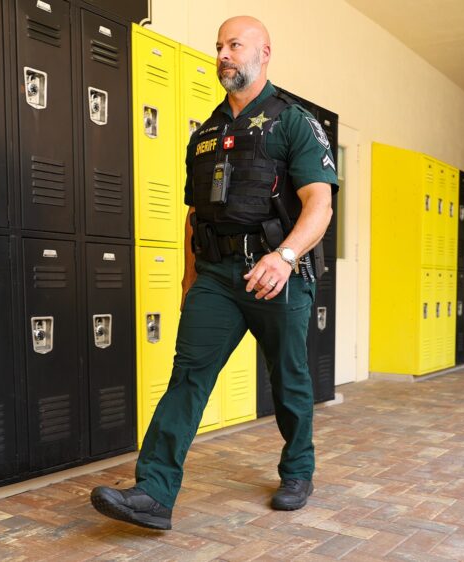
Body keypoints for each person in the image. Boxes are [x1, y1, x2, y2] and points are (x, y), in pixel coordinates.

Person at [90, 15, 337, 531]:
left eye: (235, 45)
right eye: (219, 46)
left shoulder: (294, 121)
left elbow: (320, 204)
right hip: (217, 276)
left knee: (288, 381)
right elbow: (193, 215)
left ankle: (298, 471)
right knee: (187, 379)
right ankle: (154, 494)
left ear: (264, 52)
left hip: (278, 275)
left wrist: (285, 257)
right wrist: (189, 279)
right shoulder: (205, 133)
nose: (223, 54)